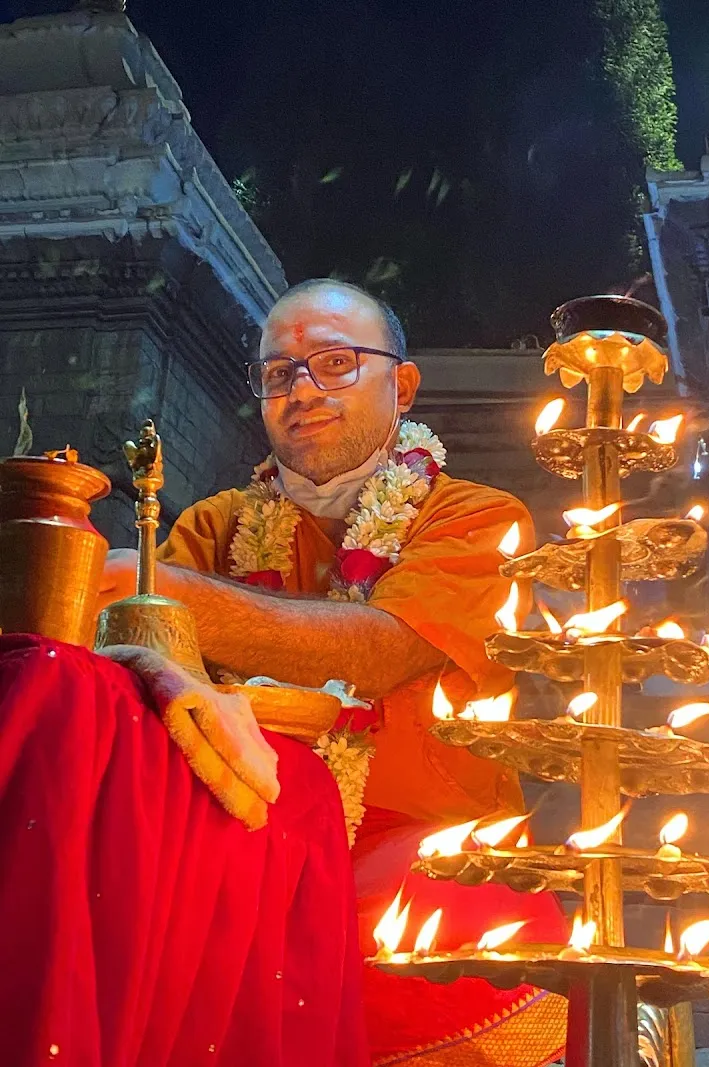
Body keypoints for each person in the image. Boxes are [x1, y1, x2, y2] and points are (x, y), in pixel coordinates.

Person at [99, 278, 567, 1065]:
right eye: (278, 373)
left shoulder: (479, 518)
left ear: (403, 384)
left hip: (427, 851)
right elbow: (147, 674)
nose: (302, 390)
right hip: (240, 840)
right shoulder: (213, 529)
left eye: (335, 362)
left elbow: (381, 650)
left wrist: (171, 595)